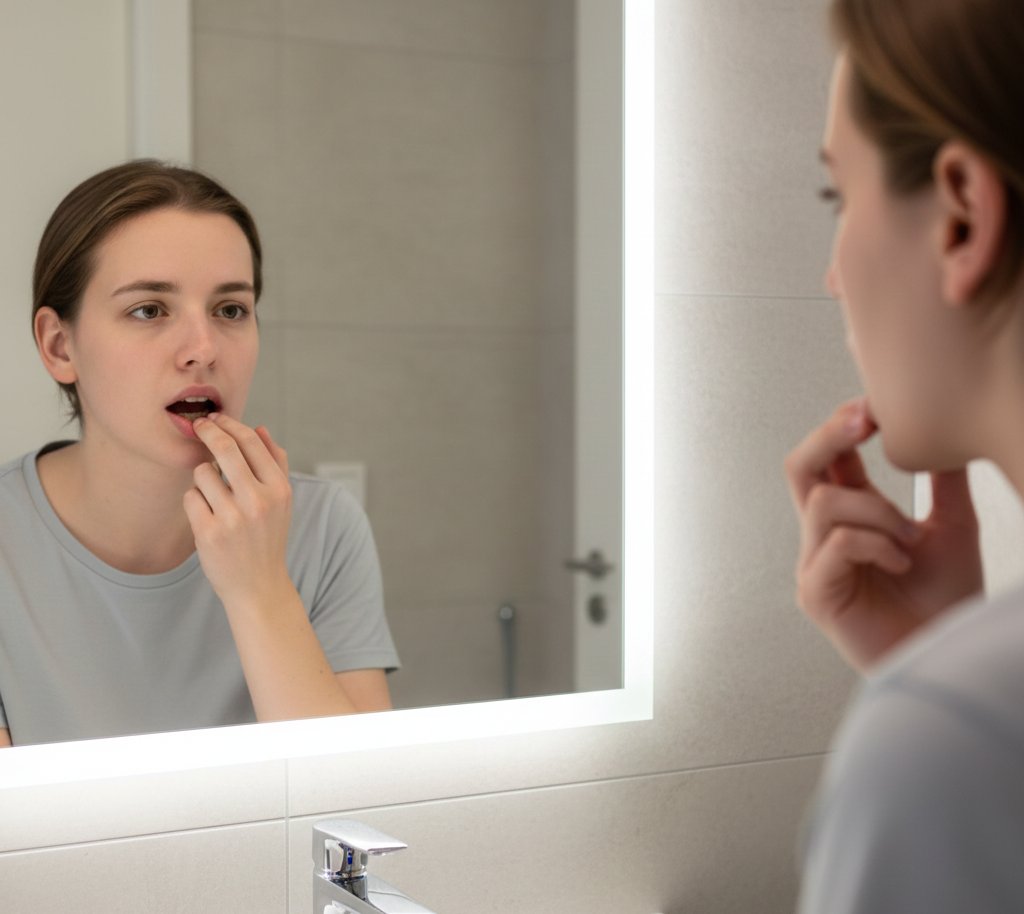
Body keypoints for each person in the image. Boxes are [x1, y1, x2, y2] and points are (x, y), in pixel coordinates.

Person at [0, 160, 399, 747]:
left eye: (230, 309)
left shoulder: (322, 528)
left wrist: (259, 588)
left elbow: (358, 807)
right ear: (60, 346)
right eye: (149, 310)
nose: (203, 349)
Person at [785, 0, 1024, 910]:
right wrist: (937, 659)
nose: (834, 276)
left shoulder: (952, 738)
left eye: (838, 195)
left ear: (961, 215)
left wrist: (946, 704)